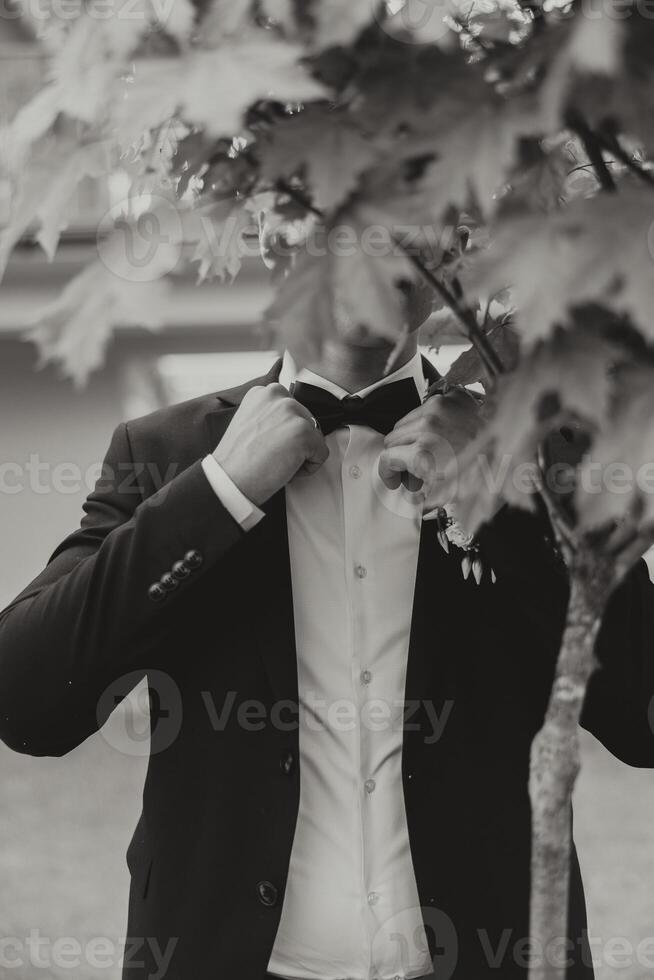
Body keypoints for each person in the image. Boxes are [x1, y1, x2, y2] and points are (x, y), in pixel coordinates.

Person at [0, 289, 653, 980]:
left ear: (446, 241)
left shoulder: (533, 448)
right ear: (267, 229)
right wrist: (219, 489)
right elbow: (27, 702)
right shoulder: (167, 452)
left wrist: (496, 499)